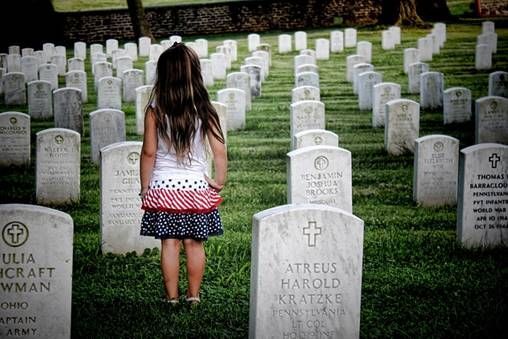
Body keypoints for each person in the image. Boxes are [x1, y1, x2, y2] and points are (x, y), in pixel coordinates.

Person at [139, 42, 227, 306]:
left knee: (169, 243)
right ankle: (194, 296)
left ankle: (172, 298)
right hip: (196, 189)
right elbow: (220, 151)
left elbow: (149, 153)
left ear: (164, 75)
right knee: (194, 243)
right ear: (195, 74)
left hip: (164, 188)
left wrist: (146, 187)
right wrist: (219, 180)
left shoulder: (155, 111)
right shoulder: (205, 110)